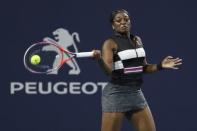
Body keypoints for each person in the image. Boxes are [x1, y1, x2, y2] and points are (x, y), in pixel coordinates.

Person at [92, 9, 182, 131]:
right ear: (113, 25)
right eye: (118, 20)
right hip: (116, 94)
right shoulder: (110, 43)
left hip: (136, 93)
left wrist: (160, 65)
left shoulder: (137, 40)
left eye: (126, 19)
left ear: (130, 22)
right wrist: (99, 59)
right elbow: (108, 71)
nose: (123, 22)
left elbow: (143, 68)